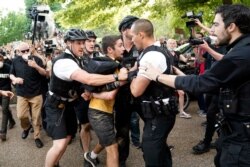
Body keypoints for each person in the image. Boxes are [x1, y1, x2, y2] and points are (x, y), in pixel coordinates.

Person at [140, 4, 250, 166]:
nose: (211, 30)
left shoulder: (241, 54)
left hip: (242, 143)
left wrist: (156, 75)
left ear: (232, 27)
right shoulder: (240, 49)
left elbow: (201, 83)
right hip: (233, 135)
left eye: (216, 24)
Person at [44, 29, 127, 167]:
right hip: (56, 106)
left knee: (68, 137)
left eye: (84, 42)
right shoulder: (64, 62)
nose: (82, 46)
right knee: (60, 144)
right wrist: (117, 76)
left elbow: (95, 69)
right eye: (78, 43)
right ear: (68, 43)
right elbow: (88, 79)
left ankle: (55, 162)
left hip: (69, 105)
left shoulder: (80, 58)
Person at [130, 19, 177, 166]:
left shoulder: (152, 56)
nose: (132, 40)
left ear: (141, 34)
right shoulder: (157, 51)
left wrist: (130, 76)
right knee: (161, 150)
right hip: (160, 113)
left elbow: (136, 91)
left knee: (152, 155)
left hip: (159, 116)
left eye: (133, 36)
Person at [84, 35, 126, 167]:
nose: (124, 48)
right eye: (120, 45)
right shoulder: (111, 68)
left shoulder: (112, 65)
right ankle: (90, 156)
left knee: (106, 138)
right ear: (110, 49)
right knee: (112, 148)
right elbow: (109, 96)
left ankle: (91, 156)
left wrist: (92, 94)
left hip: (105, 111)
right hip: (98, 112)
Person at [115, 15, 141, 167]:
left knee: (149, 123)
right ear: (124, 30)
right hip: (121, 97)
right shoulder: (116, 47)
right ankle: (122, 160)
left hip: (139, 93)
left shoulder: (140, 46)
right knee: (122, 131)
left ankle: (151, 150)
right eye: (133, 28)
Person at [10, 42, 46, 148]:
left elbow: (45, 73)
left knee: (36, 118)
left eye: (27, 50)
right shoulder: (15, 61)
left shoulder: (36, 59)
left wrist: (36, 66)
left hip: (36, 93)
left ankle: (37, 137)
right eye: (23, 51)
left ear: (29, 49)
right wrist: (15, 79)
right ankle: (26, 127)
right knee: (21, 115)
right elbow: (11, 74)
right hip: (22, 93)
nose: (25, 52)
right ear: (19, 52)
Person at [166, 38, 191, 119]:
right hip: (167, 75)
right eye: (170, 43)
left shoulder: (177, 53)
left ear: (176, 45)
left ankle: (181, 111)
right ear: (167, 44)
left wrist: (188, 57)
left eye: (174, 43)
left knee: (181, 93)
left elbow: (185, 60)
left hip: (176, 75)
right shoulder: (165, 52)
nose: (172, 45)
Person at [0, 54, 16, 141]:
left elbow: (13, 78)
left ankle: (3, 132)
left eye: (0, 59)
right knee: (4, 108)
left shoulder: (8, 67)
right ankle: (12, 121)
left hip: (7, 91)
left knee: (4, 110)